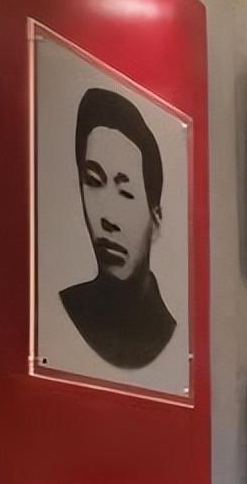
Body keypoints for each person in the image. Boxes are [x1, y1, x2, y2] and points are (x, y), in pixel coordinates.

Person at [61, 87, 175, 368]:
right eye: (93, 182)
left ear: (156, 220)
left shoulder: (167, 332)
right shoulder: (68, 308)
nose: (108, 218)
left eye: (126, 193)